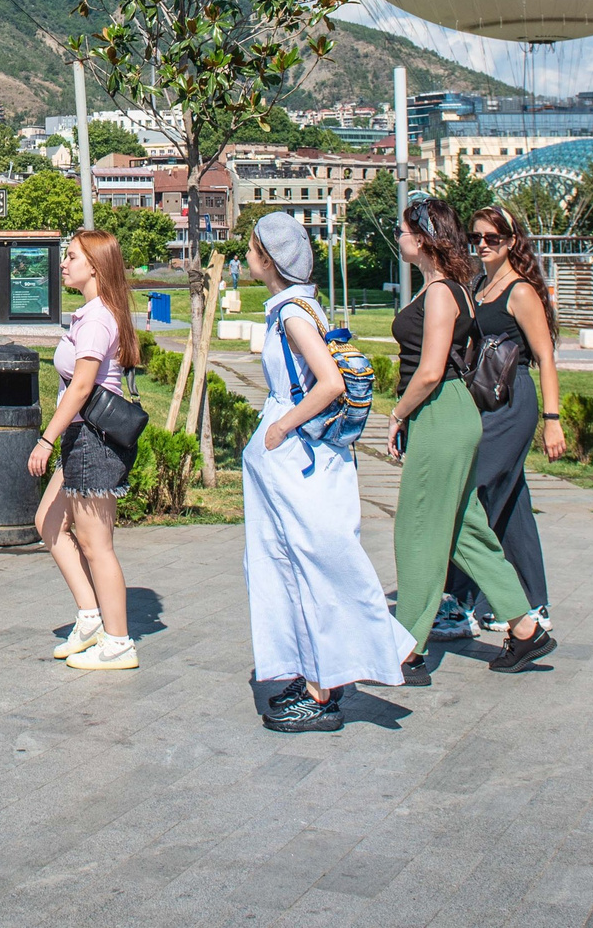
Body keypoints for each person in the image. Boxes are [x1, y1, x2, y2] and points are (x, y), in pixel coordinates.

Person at [241, 212, 412, 732]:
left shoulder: (292, 313)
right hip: (304, 459)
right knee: (296, 559)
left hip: (301, 458)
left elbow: (330, 382)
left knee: (317, 558)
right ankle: (319, 671)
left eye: (251, 248)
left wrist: (280, 427)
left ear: (267, 259)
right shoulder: (299, 306)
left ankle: (328, 686)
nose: (245, 256)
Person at [382, 198, 554, 681]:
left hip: (440, 413)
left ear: (422, 237)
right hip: (452, 414)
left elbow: (432, 369)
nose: (398, 238)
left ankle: (406, 650)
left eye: (403, 231)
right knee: (464, 530)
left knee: (418, 530)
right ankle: (525, 626)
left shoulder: (440, 292)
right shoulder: (452, 287)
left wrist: (397, 414)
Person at [434, 205, 567, 639]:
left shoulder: (520, 291)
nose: (484, 245)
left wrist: (552, 420)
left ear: (512, 241)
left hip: (514, 402)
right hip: (483, 400)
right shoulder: (479, 285)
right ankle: (531, 599)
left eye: (493, 238)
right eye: (477, 238)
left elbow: (546, 357)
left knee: (464, 493)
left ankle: (460, 601)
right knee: (510, 502)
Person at [29, 227, 141, 671]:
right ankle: (92, 618)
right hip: (82, 438)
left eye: (71, 256)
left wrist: (45, 439)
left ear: (94, 265)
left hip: (93, 440)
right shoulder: (91, 312)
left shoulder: (97, 318)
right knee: (49, 521)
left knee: (97, 545)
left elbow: (80, 387)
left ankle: (119, 641)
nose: (63, 262)